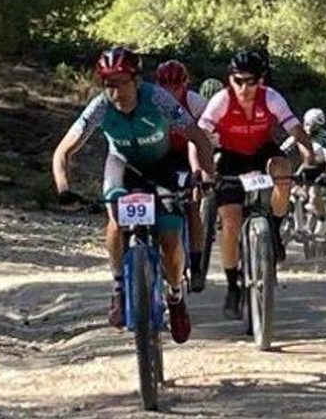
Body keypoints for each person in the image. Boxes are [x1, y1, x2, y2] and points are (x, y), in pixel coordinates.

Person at [50, 47, 216, 343]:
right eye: (108, 83)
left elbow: (198, 138)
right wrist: (63, 189)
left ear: (137, 80)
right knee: (115, 215)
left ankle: (176, 296)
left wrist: (205, 174)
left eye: (122, 82)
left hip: (160, 167)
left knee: (169, 237)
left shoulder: (157, 98)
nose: (116, 91)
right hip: (122, 166)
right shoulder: (100, 106)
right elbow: (63, 151)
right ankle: (118, 288)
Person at [198, 45, 314, 320]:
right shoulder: (221, 101)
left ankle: (273, 230)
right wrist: (201, 170)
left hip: (261, 151)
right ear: (230, 80)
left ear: (260, 81)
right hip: (231, 156)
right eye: (238, 81)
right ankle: (232, 285)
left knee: (283, 170)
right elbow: (199, 137)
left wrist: (309, 159)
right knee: (230, 220)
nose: (244, 88)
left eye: (251, 81)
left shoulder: (271, 98)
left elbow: (295, 130)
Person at [153, 59, 212, 292]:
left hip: (186, 154)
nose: (171, 92)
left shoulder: (197, 103)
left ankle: (196, 265)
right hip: (157, 154)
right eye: (165, 87)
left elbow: (204, 140)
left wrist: (202, 172)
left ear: (185, 85)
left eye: (176, 87)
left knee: (191, 204)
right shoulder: (147, 100)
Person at [283, 107, 326, 229]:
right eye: (307, 124)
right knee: (291, 191)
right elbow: (284, 148)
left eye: (313, 127)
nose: (309, 129)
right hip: (305, 166)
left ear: (319, 127)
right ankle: (296, 223)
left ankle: (322, 221)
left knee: (313, 195)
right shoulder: (299, 133)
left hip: (319, 168)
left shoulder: (324, 137)